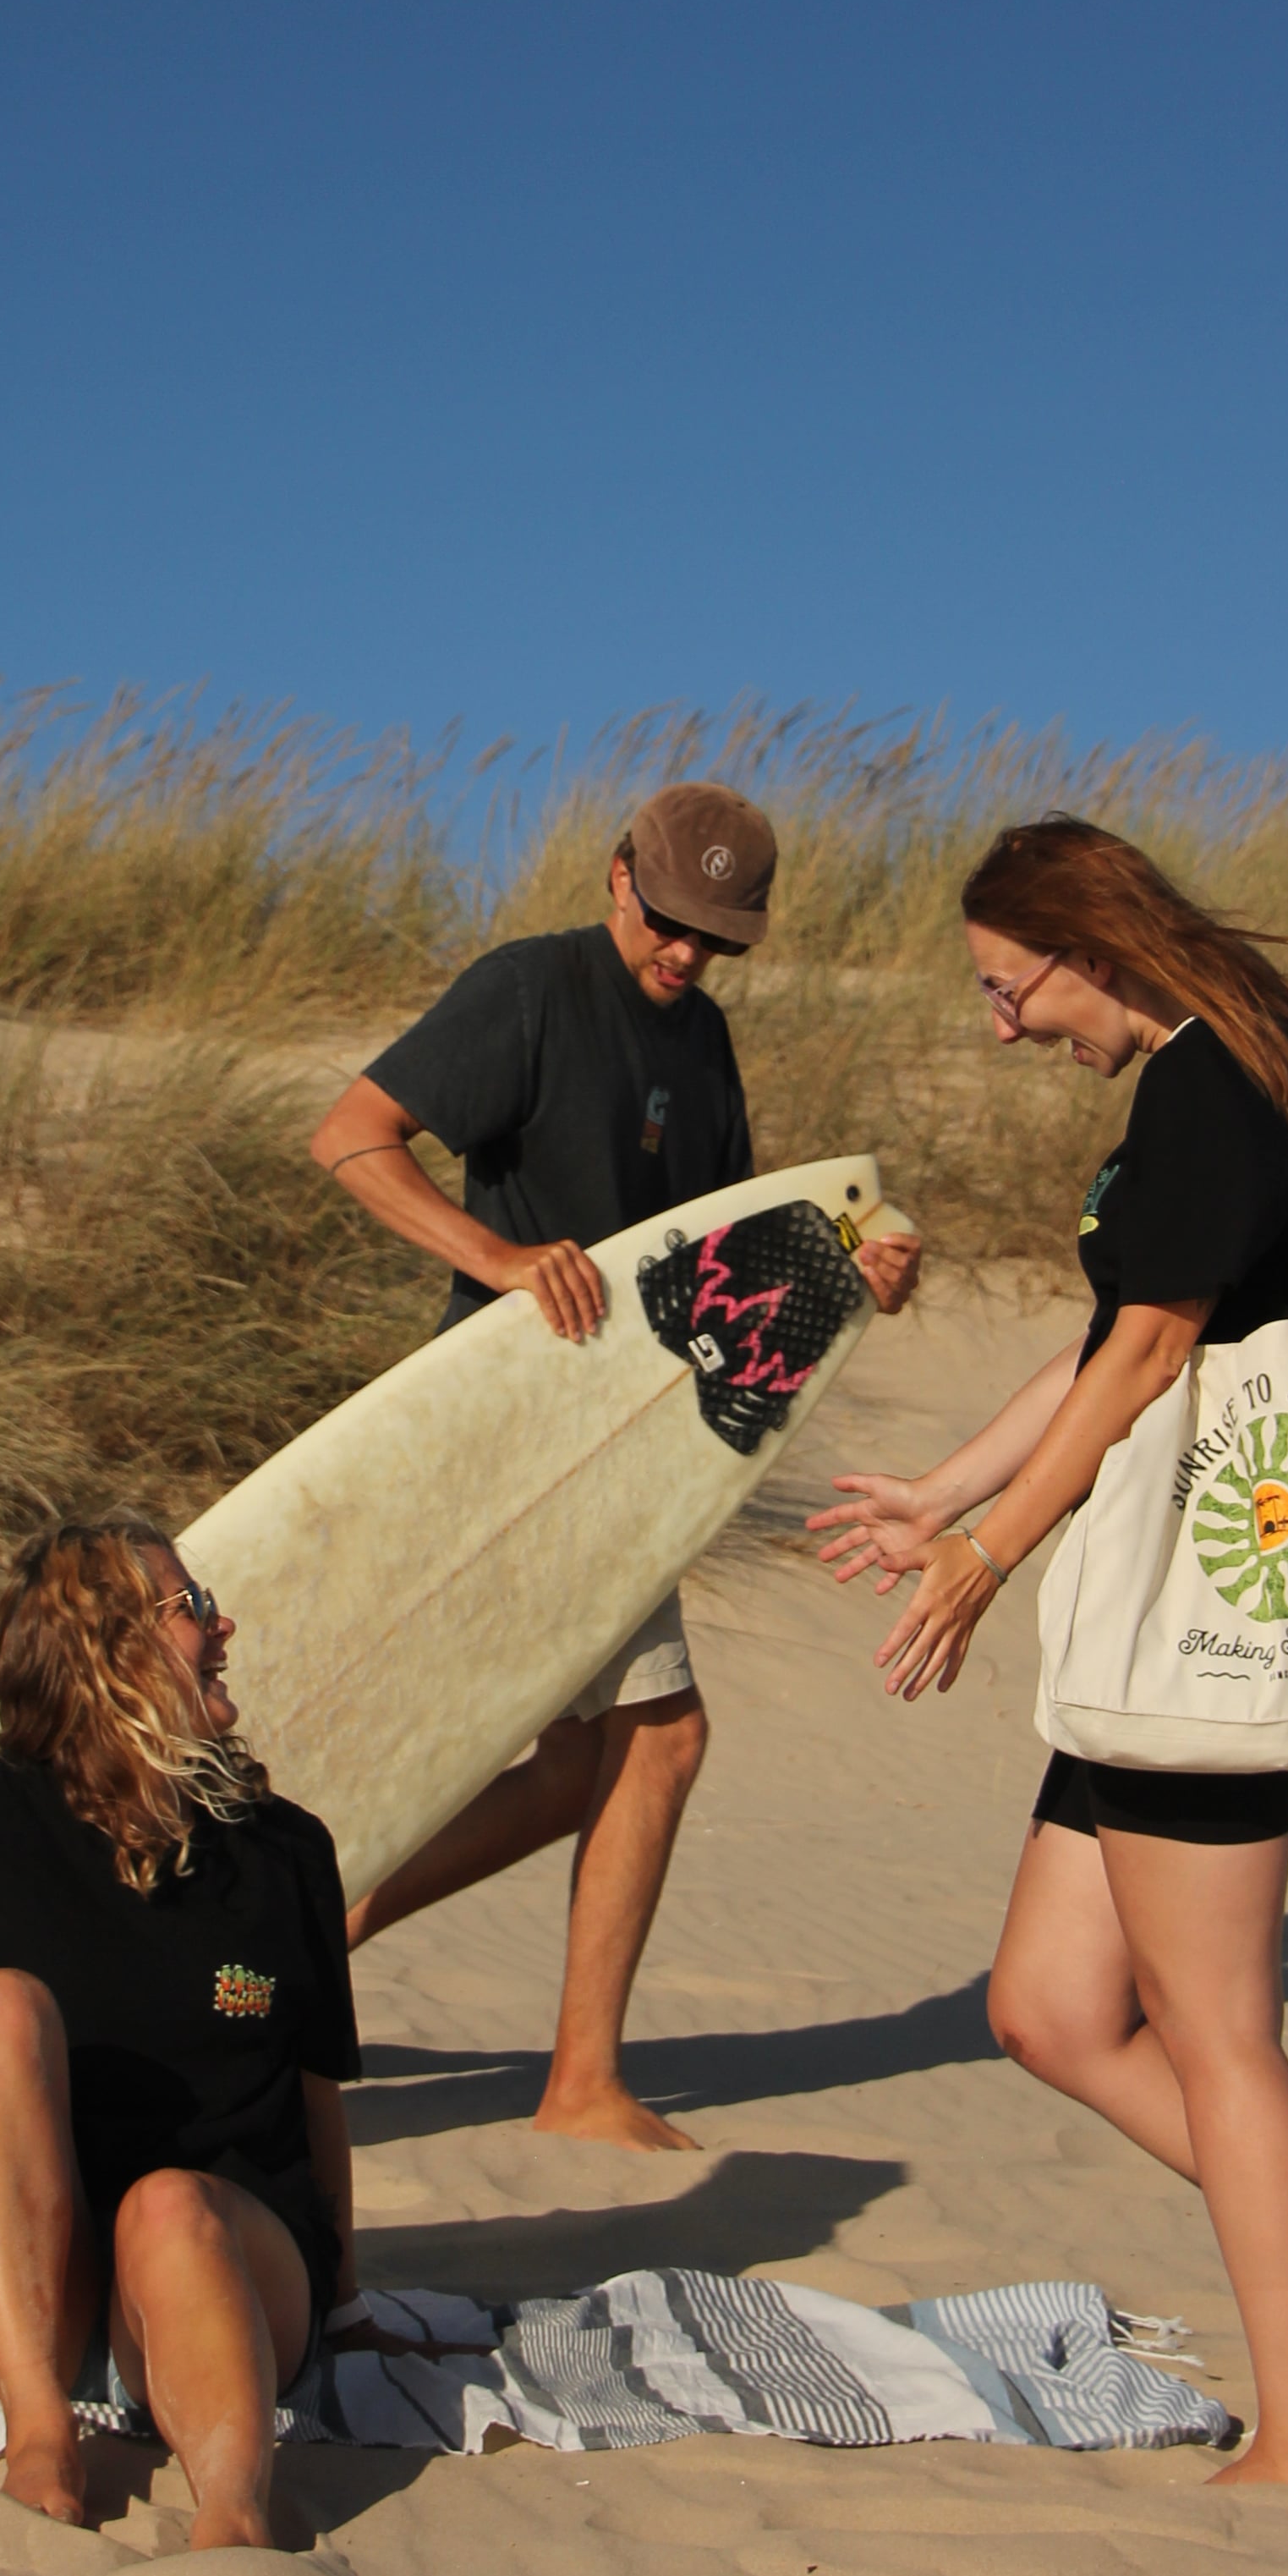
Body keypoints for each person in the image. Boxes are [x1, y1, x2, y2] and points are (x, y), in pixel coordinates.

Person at [809, 814, 1288, 2488]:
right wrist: (944, 1491)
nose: (1002, 1025)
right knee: (1045, 2007)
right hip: (1171, 1626)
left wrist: (987, 1554)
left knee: (1217, 2025)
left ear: (1094, 950)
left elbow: (1158, 1349)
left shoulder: (1215, 1088)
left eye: (1011, 989)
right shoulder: (1205, 1081)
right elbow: (1118, 1334)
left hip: (1217, 1627)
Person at [310, 782, 922, 2151]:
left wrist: (859, 1268)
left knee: (585, 1753)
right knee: (658, 1734)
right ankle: (574, 2077)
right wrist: (504, 1258)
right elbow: (348, 1133)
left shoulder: (701, 1045)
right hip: (509, 1426)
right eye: (671, 924)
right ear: (617, 878)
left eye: (718, 940)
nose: (686, 956)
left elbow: (732, 1262)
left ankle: (324, 1933)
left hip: (621, 1444)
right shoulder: (529, 989)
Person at [0, 1519, 356, 2550]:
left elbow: (315, 2098)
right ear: (110, 1658)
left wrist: (345, 2302)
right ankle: (41, 2431)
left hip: (216, 2265)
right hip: (7, 2290)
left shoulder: (284, 1852)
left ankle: (234, 2510)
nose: (225, 1628)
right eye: (192, 1609)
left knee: (169, 2207)